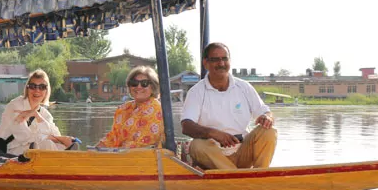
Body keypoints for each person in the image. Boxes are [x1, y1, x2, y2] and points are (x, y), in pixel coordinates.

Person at [180, 42, 276, 170]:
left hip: (243, 151)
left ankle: (260, 174)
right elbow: (186, 126)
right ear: (206, 63)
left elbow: (265, 112)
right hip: (215, 156)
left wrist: (267, 117)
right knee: (196, 145)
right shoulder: (196, 92)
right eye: (215, 59)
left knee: (268, 131)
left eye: (224, 58)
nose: (221, 63)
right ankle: (237, 177)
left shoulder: (244, 87)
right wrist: (213, 133)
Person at [0, 69, 77, 155]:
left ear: (46, 91)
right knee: (47, 144)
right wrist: (59, 139)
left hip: (28, 150)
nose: (37, 90)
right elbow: (24, 137)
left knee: (62, 146)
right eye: (33, 86)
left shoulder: (44, 114)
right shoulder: (15, 106)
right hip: (8, 149)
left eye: (42, 87)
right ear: (27, 88)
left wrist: (37, 116)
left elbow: (55, 134)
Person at [96, 66, 164, 149]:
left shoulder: (156, 109)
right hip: (120, 156)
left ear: (153, 87)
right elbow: (114, 137)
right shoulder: (123, 109)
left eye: (144, 83)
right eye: (134, 83)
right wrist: (97, 149)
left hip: (146, 158)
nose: (138, 87)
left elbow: (146, 142)